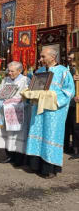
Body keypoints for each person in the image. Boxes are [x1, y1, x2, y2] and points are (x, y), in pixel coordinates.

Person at [24, 46, 75, 178]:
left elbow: (69, 91)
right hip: (38, 109)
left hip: (54, 111)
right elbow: (33, 88)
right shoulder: (40, 71)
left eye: (43, 57)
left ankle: (50, 168)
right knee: (37, 133)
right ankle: (36, 165)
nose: (40, 59)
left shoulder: (63, 72)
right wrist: (30, 94)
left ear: (53, 57)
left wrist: (53, 98)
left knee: (51, 136)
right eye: (40, 56)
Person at [0, 62, 31, 165]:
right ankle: (10, 155)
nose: (9, 73)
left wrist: (13, 102)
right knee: (7, 134)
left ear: (19, 71)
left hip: (19, 113)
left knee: (18, 135)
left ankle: (19, 158)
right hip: (5, 112)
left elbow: (28, 98)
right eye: (8, 70)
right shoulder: (6, 80)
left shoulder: (25, 81)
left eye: (12, 71)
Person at [63, 52, 78, 154]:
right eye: (69, 59)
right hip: (66, 102)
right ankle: (65, 146)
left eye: (72, 59)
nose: (70, 61)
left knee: (75, 126)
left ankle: (76, 148)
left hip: (76, 102)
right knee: (66, 126)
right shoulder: (65, 70)